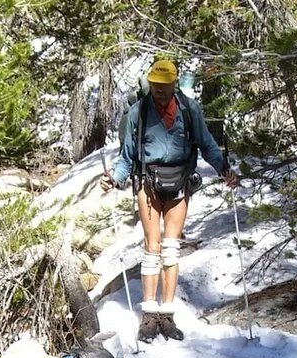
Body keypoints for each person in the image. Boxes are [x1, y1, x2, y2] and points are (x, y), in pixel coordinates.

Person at [101, 58, 238, 343]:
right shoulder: (139, 112)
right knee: (152, 247)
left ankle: (167, 314)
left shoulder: (189, 110)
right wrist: (114, 178)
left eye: (164, 85)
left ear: (174, 83)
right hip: (146, 180)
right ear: (149, 83)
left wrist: (223, 170)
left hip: (180, 179)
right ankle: (149, 316)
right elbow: (127, 156)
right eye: (155, 85)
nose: (159, 90)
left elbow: (206, 144)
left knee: (172, 248)